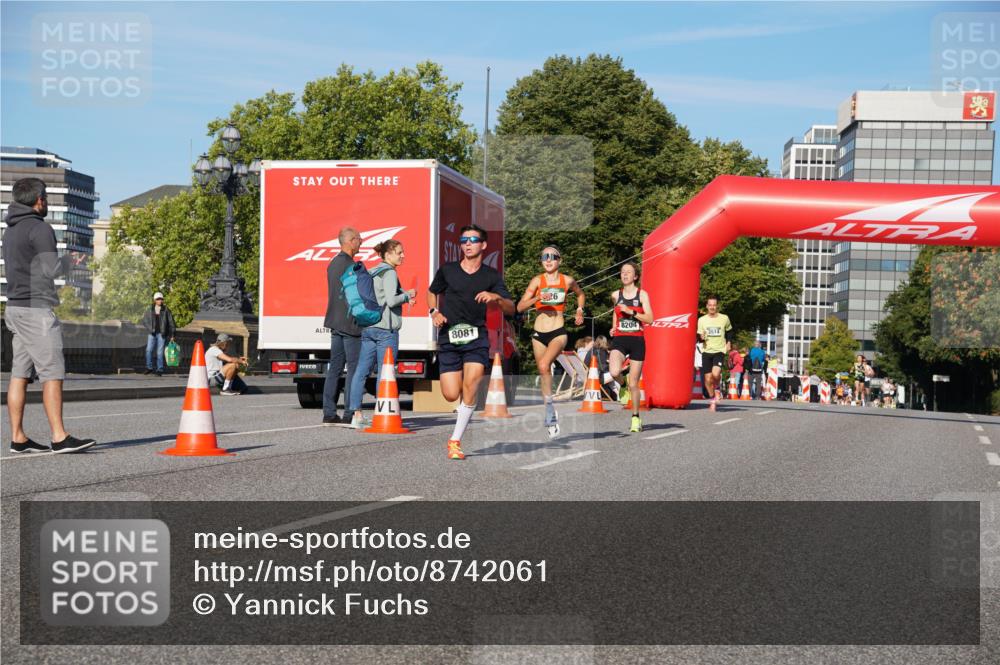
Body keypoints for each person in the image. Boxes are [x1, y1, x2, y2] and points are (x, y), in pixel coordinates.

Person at [3, 177, 95, 454]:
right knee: (52, 372)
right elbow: (50, 269)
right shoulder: (40, 228)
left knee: (19, 374)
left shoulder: (10, 230)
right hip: (36, 311)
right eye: (45, 198)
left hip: (14, 307)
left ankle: (18, 438)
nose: (46, 203)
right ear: (38, 200)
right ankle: (59, 437)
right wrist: (70, 261)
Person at [428, 224, 514, 460]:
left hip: (477, 338)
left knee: (472, 383)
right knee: (450, 394)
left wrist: (496, 297)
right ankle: (462, 409)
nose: (467, 244)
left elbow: (510, 307)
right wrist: (434, 311)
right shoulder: (448, 270)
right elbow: (431, 292)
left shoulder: (491, 276)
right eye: (464, 240)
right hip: (449, 337)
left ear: (483, 245)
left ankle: (455, 441)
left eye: (473, 240)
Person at [516, 245, 585, 438]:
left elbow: (580, 294)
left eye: (552, 256)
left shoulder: (567, 280)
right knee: (543, 370)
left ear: (559, 260)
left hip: (558, 331)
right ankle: (550, 409)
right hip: (539, 333)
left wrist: (579, 310)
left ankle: (549, 411)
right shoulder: (537, 281)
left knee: (544, 364)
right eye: (544, 256)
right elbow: (520, 307)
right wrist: (537, 297)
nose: (547, 259)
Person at [346, 239, 416, 428]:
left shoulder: (373, 271)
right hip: (386, 330)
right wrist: (407, 295)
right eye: (399, 252)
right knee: (385, 373)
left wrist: (402, 294)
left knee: (361, 371)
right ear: (388, 254)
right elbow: (391, 301)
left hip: (369, 327)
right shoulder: (390, 272)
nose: (403, 256)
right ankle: (382, 413)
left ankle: (356, 414)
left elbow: (380, 295)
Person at [322, 227, 363, 425]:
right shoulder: (351, 266)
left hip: (335, 321)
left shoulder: (333, 263)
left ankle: (329, 413)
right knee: (354, 369)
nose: (361, 242)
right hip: (350, 323)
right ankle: (349, 413)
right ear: (350, 241)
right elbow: (356, 296)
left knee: (335, 369)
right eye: (359, 239)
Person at [608, 262, 654, 433]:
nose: (625, 274)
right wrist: (614, 327)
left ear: (635, 276)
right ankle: (622, 385)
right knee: (614, 372)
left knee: (634, 383)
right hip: (620, 339)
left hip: (637, 341)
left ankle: (635, 417)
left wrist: (632, 312)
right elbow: (615, 312)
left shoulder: (642, 295)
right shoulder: (615, 294)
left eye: (629, 272)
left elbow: (650, 319)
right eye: (622, 272)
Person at [697, 297, 733, 412]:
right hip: (706, 351)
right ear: (707, 306)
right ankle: (713, 399)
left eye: (714, 305)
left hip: (719, 350)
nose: (712, 307)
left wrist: (728, 342)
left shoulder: (724, 318)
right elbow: (699, 337)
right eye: (710, 305)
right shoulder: (702, 320)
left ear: (717, 306)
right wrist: (701, 338)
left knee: (715, 373)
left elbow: (729, 331)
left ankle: (717, 388)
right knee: (707, 379)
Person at [141, 291, 176, 376]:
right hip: (152, 334)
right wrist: (150, 329)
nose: (160, 300)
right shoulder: (150, 309)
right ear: (155, 300)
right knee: (148, 350)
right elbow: (144, 321)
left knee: (159, 352)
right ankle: (149, 368)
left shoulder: (166, 310)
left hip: (162, 334)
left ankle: (159, 369)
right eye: (158, 299)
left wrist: (172, 335)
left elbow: (171, 322)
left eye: (161, 299)